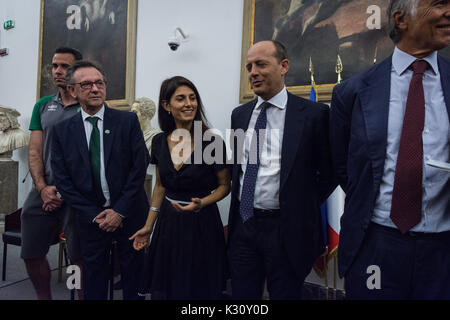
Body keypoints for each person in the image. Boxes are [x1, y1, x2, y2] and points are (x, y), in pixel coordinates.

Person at [330, 0, 450, 299]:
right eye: (438, 3)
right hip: (377, 246)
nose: (448, 11)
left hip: (442, 250)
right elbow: (343, 166)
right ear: (401, 19)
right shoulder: (353, 92)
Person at [227, 40, 335, 299]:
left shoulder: (313, 115)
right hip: (244, 226)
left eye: (261, 64)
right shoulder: (240, 115)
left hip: (286, 230)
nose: (253, 72)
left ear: (283, 66)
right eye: (249, 66)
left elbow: (330, 172)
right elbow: (240, 168)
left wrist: (300, 202)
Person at [51, 60, 149, 300]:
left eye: (99, 83)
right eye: (86, 84)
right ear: (72, 90)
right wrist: (95, 214)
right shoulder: (62, 130)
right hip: (90, 219)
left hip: (130, 214)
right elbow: (63, 181)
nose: (95, 89)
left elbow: (139, 169)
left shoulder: (127, 121)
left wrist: (119, 211)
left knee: (133, 275)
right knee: (94, 278)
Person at [129, 76, 230, 300]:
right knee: (168, 287)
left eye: (193, 98)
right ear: (166, 106)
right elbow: (160, 187)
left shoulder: (212, 142)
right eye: (181, 99)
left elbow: (225, 185)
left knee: (200, 289)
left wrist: (202, 203)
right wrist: (148, 227)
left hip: (202, 224)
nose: (189, 104)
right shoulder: (158, 142)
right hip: (169, 224)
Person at [20, 47, 83, 300]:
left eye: (65, 66)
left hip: (79, 192)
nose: (58, 71)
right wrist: (42, 187)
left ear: (77, 70)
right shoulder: (43, 106)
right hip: (46, 189)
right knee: (31, 251)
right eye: (55, 65)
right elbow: (34, 151)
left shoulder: (91, 104)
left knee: (80, 257)